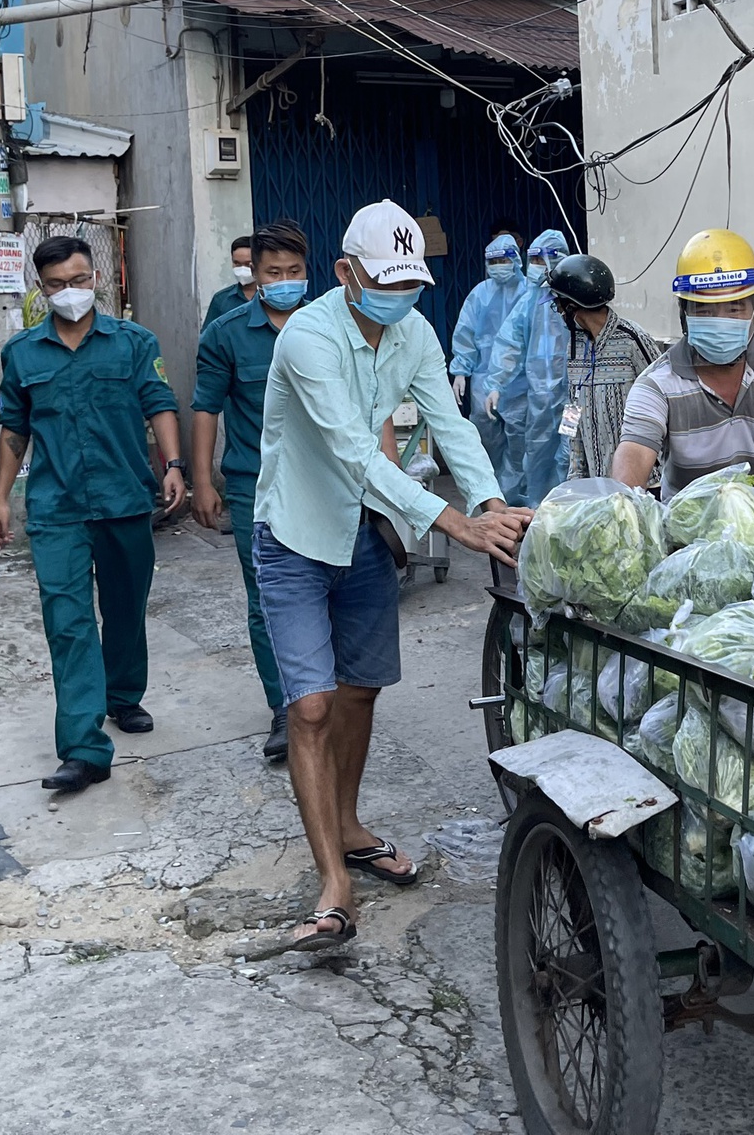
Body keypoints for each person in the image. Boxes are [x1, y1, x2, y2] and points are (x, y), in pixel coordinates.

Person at [252, 199, 531, 952]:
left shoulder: (412, 332)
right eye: (385, 280)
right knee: (309, 710)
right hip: (297, 537)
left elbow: (452, 423)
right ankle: (334, 884)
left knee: (360, 691)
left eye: (412, 282)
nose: (400, 295)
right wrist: (454, 524)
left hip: (366, 537)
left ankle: (347, 826)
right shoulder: (309, 338)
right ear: (347, 274)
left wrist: (491, 502)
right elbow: (353, 453)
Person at [0, 234, 187, 793]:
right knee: (68, 621)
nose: (69, 292)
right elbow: (14, 430)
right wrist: (3, 498)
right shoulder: (23, 353)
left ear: (95, 278)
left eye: (78, 281)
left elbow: (159, 403)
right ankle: (83, 747)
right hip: (56, 507)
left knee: (126, 605)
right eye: (56, 285)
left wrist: (174, 465)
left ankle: (123, 696)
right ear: (40, 287)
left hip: (124, 497)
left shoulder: (132, 342)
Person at [191, 219, 310, 765]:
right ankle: (286, 707)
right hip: (253, 483)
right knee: (266, 597)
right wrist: (201, 481)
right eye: (273, 272)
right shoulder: (226, 333)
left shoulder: (330, 324)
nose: (284, 280)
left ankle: (323, 697)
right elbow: (207, 409)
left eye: (294, 271)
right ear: (254, 276)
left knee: (333, 590)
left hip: (326, 481)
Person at [610, 228, 754, 498]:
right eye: (704, 310)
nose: (721, 321)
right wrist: (623, 507)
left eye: (734, 308)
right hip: (687, 529)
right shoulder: (656, 385)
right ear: (685, 315)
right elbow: (635, 454)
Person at [544, 253, 660, 482]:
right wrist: (574, 470)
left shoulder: (631, 340)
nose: (557, 311)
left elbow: (665, 400)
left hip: (643, 483)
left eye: (558, 303)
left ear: (572, 306)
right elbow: (572, 406)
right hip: (597, 484)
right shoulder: (575, 346)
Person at [484, 227, 571, 505]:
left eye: (539, 260)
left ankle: (571, 509)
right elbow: (509, 340)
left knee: (571, 453)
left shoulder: (574, 298)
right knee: (537, 453)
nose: (534, 267)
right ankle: (540, 512)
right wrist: (496, 382)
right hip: (540, 399)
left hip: (574, 398)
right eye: (531, 259)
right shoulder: (531, 301)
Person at [447, 230, 524, 499]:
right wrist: (460, 371)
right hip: (482, 378)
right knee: (485, 438)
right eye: (493, 262)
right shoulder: (479, 294)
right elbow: (466, 333)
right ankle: (490, 494)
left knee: (520, 441)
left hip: (521, 381)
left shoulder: (529, 294)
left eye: (504, 261)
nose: (498, 267)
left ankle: (517, 497)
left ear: (516, 260)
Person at [205, 234, 256, 324]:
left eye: (248, 264)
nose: (242, 269)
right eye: (237, 263)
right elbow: (208, 335)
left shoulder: (272, 296)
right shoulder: (221, 299)